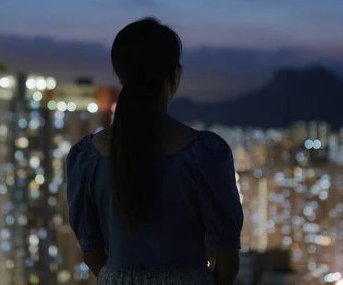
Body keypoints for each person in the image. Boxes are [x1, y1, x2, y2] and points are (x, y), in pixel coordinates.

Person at [66, 17, 243, 285]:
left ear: (121, 73)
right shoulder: (206, 152)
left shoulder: (87, 158)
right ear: (175, 74)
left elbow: (91, 253)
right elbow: (228, 259)